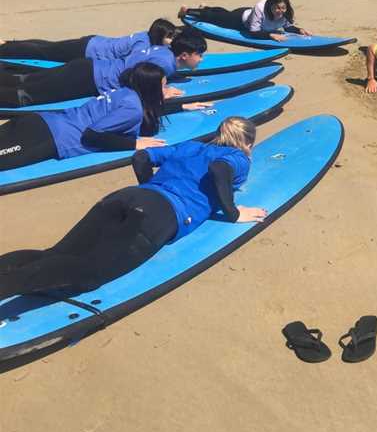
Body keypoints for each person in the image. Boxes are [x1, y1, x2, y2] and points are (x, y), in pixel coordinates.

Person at [0, 117, 266, 302]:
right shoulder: (237, 157)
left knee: (56, 253)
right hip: (158, 215)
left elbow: (141, 156)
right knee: (89, 274)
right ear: (248, 143)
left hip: (128, 196)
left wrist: (148, 187)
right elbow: (219, 170)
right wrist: (233, 213)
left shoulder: (192, 145)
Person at [0, 62, 213, 171]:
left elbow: (141, 111)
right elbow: (93, 135)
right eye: (163, 86)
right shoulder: (132, 108)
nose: (166, 90)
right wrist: (134, 143)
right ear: (149, 88)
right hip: (48, 138)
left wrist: (183, 106)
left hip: (40, 122)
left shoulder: (125, 92)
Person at [0, 27, 207, 108]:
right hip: (87, 78)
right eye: (200, 55)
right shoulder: (164, 64)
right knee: (25, 96)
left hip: (87, 68)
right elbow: (132, 76)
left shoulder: (161, 51)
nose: (202, 59)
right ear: (184, 55)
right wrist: (159, 92)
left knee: (25, 81)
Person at [0, 18, 178, 63]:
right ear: (159, 35)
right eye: (169, 37)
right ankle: (6, 48)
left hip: (93, 42)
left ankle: (9, 44)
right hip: (88, 50)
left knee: (49, 46)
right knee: (45, 52)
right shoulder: (143, 45)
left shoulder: (144, 35)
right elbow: (130, 66)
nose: (171, 40)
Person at [179, 0, 310, 40]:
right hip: (239, 20)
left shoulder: (285, 12)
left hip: (249, 16)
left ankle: (206, 7)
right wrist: (271, 35)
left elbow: (287, 27)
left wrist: (299, 30)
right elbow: (253, 32)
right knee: (216, 18)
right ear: (270, 5)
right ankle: (187, 11)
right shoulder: (260, 8)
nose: (280, 11)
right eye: (277, 8)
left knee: (222, 13)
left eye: (283, 8)